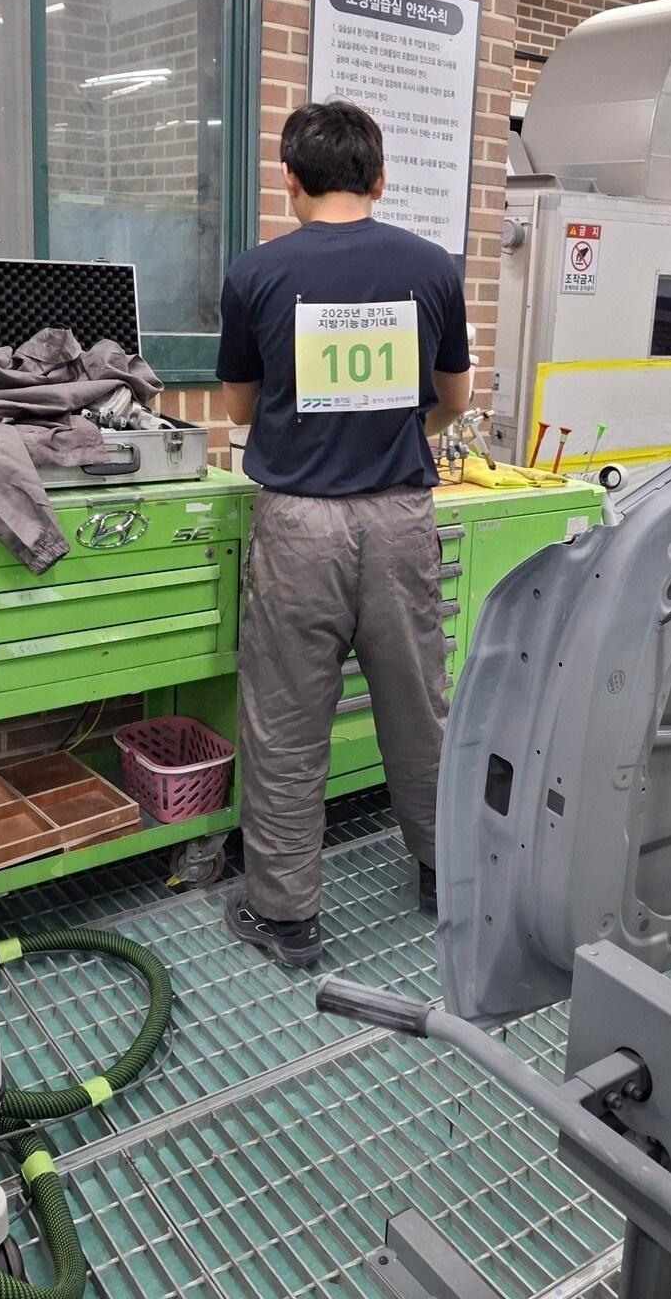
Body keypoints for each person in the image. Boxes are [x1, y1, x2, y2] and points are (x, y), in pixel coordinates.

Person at [216, 99, 473, 967]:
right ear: (380, 179)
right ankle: (445, 877)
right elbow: (454, 399)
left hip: (298, 527)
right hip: (400, 519)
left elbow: (240, 408)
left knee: (287, 722)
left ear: (289, 178)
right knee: (421, 710)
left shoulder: (256, 273)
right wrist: (393, 431)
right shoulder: (432, 267)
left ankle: (286, 918)